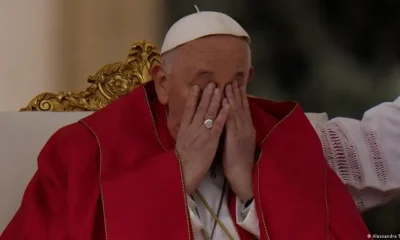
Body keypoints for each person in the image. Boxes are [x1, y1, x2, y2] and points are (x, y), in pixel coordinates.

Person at [1, 8, 399, 240]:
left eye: (237, 86)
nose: (222, 104)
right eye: (203, 87)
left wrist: (251, 187)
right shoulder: (86, 149)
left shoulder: (282, 140)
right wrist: (175, 179)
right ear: (161, 82)